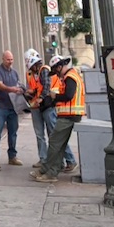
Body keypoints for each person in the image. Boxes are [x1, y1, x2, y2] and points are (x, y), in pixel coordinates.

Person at [32, 55, 85, 183]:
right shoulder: (71, 76)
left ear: (60, 67)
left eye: (56, 70)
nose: (56, 74)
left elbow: (68, 95)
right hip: (70, 115)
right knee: (59, 145)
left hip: (69, 116)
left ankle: (49, 171)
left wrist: (55, 96)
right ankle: (50, 170)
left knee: (54, 144)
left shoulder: (70, 77)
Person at [24, 49, 75, 173]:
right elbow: (36, 87)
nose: (32, 68)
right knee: (41, 135)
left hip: (48, 106)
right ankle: (47, 160)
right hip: (38, 107)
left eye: (32, 66)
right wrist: (30, 93)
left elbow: (46, 86)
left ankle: (69, 160)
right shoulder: (30, 73)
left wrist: (40, 98)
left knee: (55, 135)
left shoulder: (44, 70)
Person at [0, 50, 25, 165]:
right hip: (1, 107)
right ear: (3, 59)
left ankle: (12, 156)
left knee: (13, 132)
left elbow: (18, 84)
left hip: (13, 107)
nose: (10, 62)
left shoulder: (14, 73)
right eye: (8, 59)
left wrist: (21, 89)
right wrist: (12, 89)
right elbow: (0, 85)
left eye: (11, 59)